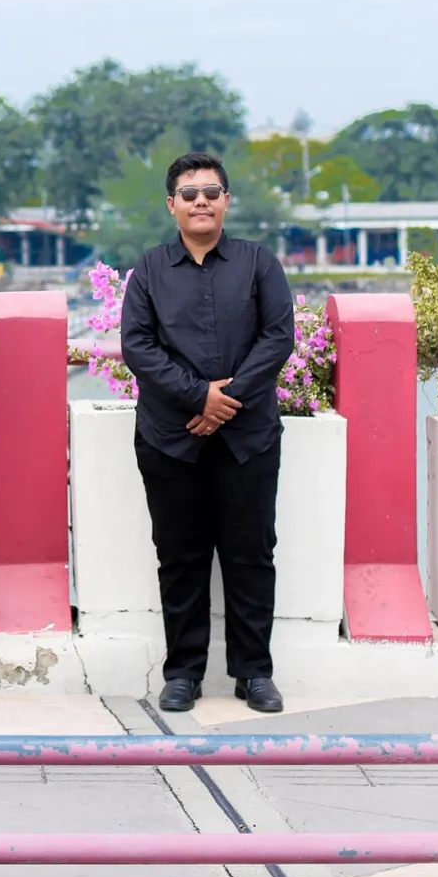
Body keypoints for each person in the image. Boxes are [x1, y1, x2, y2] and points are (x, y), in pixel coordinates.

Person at [121, 153, 294, 715]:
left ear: (226, 202)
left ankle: (254, 673)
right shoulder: (149, 270)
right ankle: (183, 674)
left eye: (211, 192)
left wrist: (224, 400)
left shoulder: (258, 262)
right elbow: (137, 346)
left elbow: (278, 336)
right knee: (180, 557)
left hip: (249, 439)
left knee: (251, 555)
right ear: (171, 204)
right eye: (189, 193)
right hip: (170, 439)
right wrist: (199, 397)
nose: (201, 201)